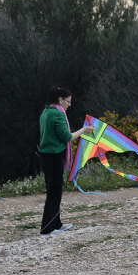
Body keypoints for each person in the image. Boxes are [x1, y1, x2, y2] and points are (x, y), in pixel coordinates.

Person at [38, 86, 94, 236]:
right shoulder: (57, 114)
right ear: (60, 100)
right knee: (54, 192)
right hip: (53, 156)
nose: (69, 105)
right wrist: (83, 131)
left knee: (54, 190)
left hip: (46, 155)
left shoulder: (46, 111)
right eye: (67, 101)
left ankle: (56, 224)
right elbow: (67, 137)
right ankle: (47, 228)